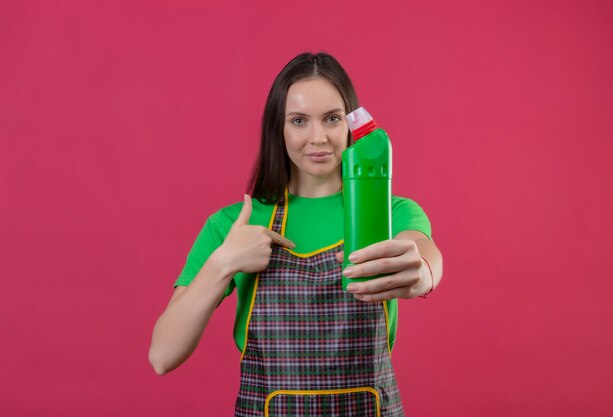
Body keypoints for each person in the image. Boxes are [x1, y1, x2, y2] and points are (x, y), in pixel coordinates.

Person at [149, 52, 443, 416]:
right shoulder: (235, 225)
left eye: (332, 119)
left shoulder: (389, 213)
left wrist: (424, 273)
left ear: (351, 124)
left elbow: (421, 250)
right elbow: (162, 355)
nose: (317, 137)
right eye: (299, 120)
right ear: (279, 128)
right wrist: (222, 262)